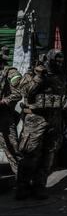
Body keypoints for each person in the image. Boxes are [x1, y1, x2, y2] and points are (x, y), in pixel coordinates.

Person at [16, 49, 67, 200]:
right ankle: (22, 187)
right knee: (29, 154)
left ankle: (39, 187)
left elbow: (66, 100)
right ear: (48, 59)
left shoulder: (62, 78)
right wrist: (38, 76)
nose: (58, 63)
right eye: (56, 60)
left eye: (61, 61)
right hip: (35, 119)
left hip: (55, 120)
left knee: (48, 156)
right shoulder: (33, 74)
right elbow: (26, 92)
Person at [0, 45, 22, 175]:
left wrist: (4, 101)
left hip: (4, 117)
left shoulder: (10, 72)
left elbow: (18, 94)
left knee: (12, 149)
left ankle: (22, 181)